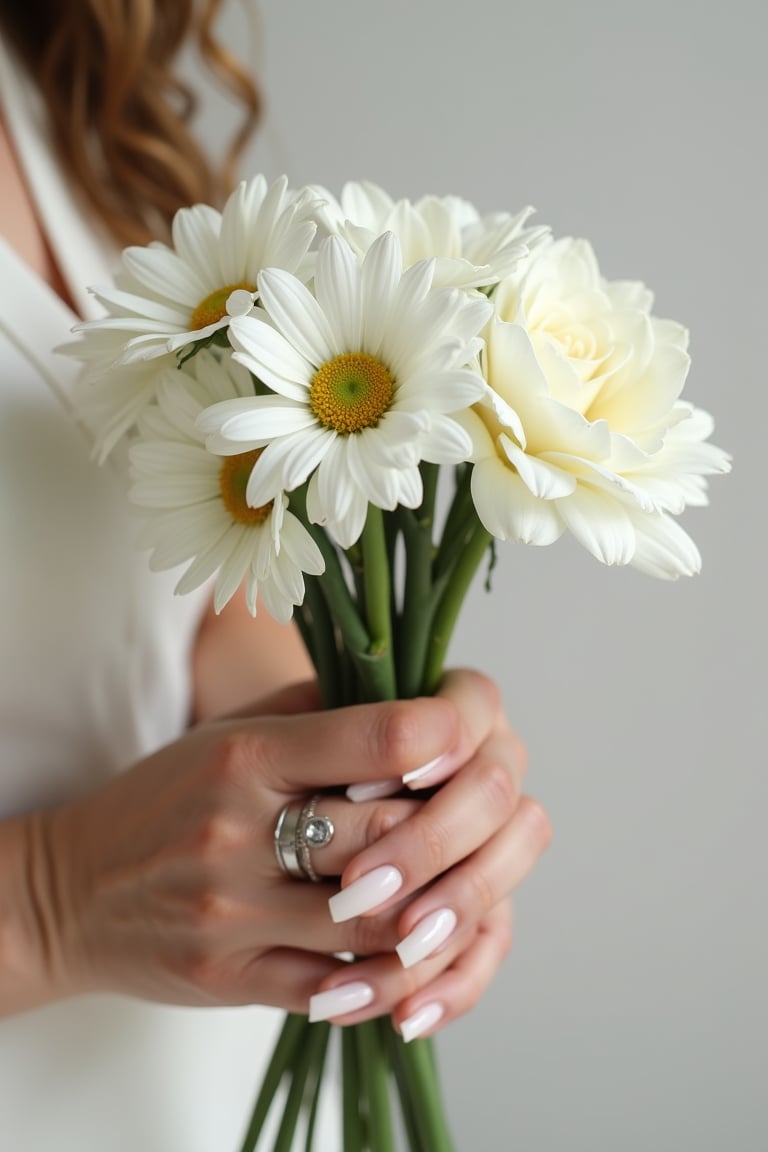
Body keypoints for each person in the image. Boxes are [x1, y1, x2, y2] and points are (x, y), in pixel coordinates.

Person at [0, 2, 552, 1148]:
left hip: (215, 1089)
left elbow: (163, 590)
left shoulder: (55, 90)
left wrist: (346, 765)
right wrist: (54, 899)